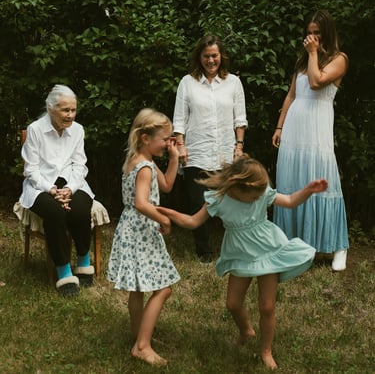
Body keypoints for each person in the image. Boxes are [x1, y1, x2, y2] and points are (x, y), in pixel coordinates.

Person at [157, 154, 328, 370]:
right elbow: (192, 222)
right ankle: (246, 330)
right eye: (254, 195)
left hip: (268, 252)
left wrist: (308, 190)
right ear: (237, 188)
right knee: (233, 304)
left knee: (267, 307)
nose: (259, 198)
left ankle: (266, 350)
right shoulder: (218, 199)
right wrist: (166, 212)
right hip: (239, 255)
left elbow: (291, 201)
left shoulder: (261, 192)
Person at [271, 10, 349, 271]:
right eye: (309, 33)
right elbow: (292, 95)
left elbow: (316, 84)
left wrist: (314, 53)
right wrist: (280, 126)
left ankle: (339, 246)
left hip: (317, 131)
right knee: (293, 184)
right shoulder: (302, 62)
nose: (312, 37)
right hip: (294, 130)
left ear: (326, 33)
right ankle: (295, 245)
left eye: (317, 33)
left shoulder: (339, 59)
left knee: (322, 182)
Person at [107, 108, 181, 367]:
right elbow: (141, 203)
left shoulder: (138, 160)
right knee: (164, 288)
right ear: (145, 138)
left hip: (131, 229)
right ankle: (142, 346)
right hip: (141, 230)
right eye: (166, 139)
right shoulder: (145, 167)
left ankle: (140, 335)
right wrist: (164, 219)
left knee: (138, 289)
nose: (169, 143)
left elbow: (168, 186)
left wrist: (174, 159)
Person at [173, 34, 248, 263]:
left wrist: (239, 146)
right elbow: (179, 119)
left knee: (230, 203)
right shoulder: (188, 82)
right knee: (198, 203)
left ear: (221, 56)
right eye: (206, 56)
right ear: (200, 57)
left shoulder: (233, 82)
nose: (211, 60)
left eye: (214, 55)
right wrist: (181, 146)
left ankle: (233, 248)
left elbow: (240, 118)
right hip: (196, 152)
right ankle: (204, 252)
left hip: (225, 153)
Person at [19, 84, 95, 297]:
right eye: (65, 110)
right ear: (51, 108)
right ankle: (64, 271)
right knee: (54, 212)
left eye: (73, 110)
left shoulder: (78, 130)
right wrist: (52, 191)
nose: (70, 115)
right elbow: (31, 170)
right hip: (41, 185)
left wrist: (70, 189)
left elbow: (80, 165)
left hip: (72, 182)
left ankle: (83, 261)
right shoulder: (35, 130)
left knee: (80, 207)